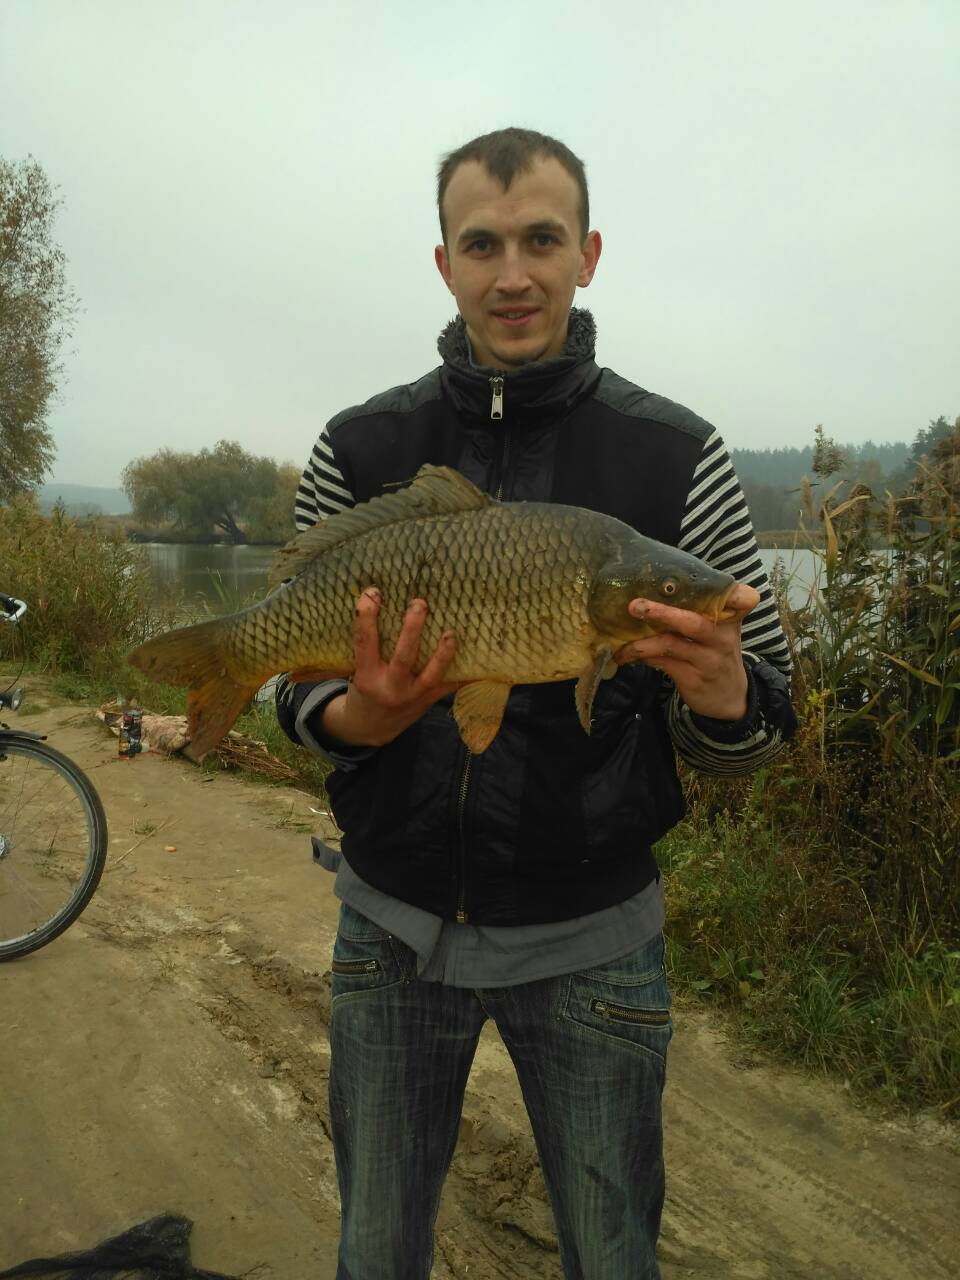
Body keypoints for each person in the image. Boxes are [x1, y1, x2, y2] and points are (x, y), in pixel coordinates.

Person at [276, 126, 796, 1280]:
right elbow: (291, 689)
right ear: (444, 263)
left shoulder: (680, 456)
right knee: (374, 1251)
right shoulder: (358, 446)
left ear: (588, 253)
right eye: (483, 244)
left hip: (595, 939)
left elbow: (758, 724)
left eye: (542, 240)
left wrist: (723, 700)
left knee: (613, 1256)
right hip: (392, 926)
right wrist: (364, 717)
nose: (513, 274)